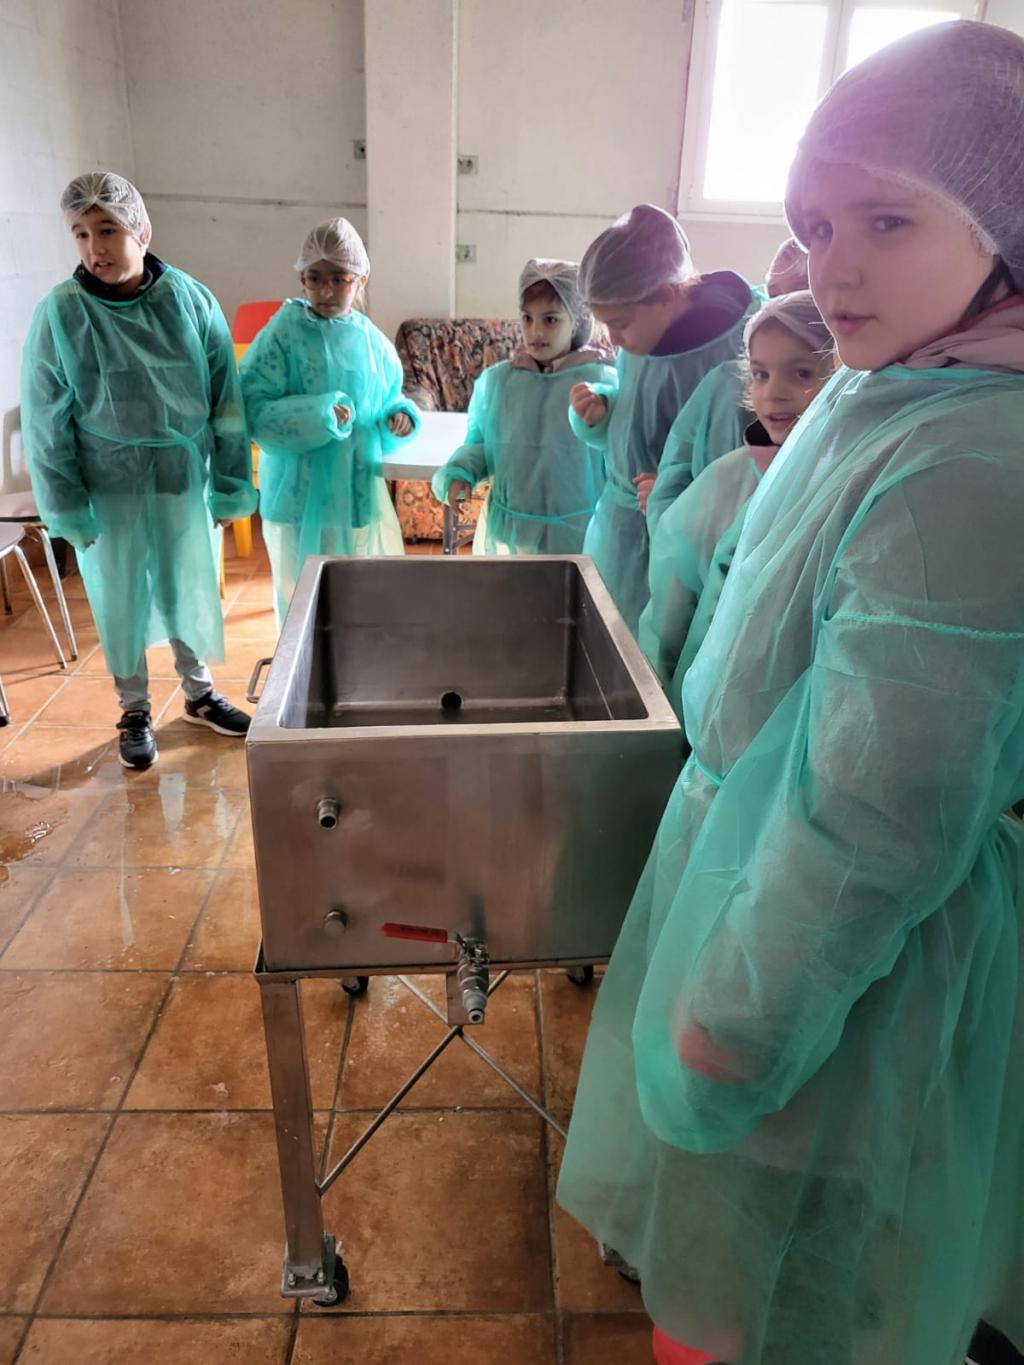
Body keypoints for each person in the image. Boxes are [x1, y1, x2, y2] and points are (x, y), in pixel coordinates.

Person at [558, 20, 1024, 1365]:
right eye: (815, 224)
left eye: (887, 218)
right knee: (744, 1281)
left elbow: (881, 809)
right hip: (755, 883)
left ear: (1003, 224)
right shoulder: (896, 389)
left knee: (778, 1296)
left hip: (831, 960)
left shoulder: (968, 459)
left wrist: (740, 1016)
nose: (834, 266)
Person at [21, 172, 257, 771]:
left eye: (108, 230)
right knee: (120, 594)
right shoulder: (62, 315)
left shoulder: (190, 300)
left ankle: (200, 694)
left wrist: (230, 485)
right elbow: (48, 422)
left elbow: (226, 404)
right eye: (80, 234)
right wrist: (66, 505)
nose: (94, 248)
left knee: (184, 584)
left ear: (142, 231)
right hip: (109, 484)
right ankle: (134, 709)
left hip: (181, 475)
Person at [639, 292, 834, 721]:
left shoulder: (845, 485)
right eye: (761, 374)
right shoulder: (726, 481)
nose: (774, 393)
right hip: (704, 709)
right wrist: (659, 706)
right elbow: (671, 605)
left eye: (802, 372)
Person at [568, 205, 755, 632]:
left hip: (674, 547)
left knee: (656, 651)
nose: (613, 339)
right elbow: (638, 419)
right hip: (619, 529)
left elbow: (733, 474)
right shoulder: (645, 337)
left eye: (619, 323)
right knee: (609, 639)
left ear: (669, 295)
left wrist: (678, 495)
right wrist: (602, 413)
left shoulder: (724, 360)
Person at [240, 218, 419, 625]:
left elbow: (388, 398)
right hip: (296, 493)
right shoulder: (283, 333)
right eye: (315, 278)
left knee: (353, 594)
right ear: (301, 279)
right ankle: (304, 662)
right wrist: (318, 414)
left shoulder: (372, 342)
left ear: (361, 281)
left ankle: (347, 659)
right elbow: (256, 408)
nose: (325, 290)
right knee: (300, 596)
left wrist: (399, 417)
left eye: (339, 279)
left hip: (354, 489)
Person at [430, 258, 615, 554]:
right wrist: (461, 473)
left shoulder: (598, 384)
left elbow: (618, 455)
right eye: (527, 318)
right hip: (512, 536)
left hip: (578, 537)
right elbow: (482, 444)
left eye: (550, 320)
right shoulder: (501, 383)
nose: (535, 331)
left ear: (577, 320)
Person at [646, 237, 810, 533]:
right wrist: (682, 514)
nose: (782, 308)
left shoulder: (852, 399)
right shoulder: (724, 383)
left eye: (801, 293)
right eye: (774, 294)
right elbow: (673, 480)